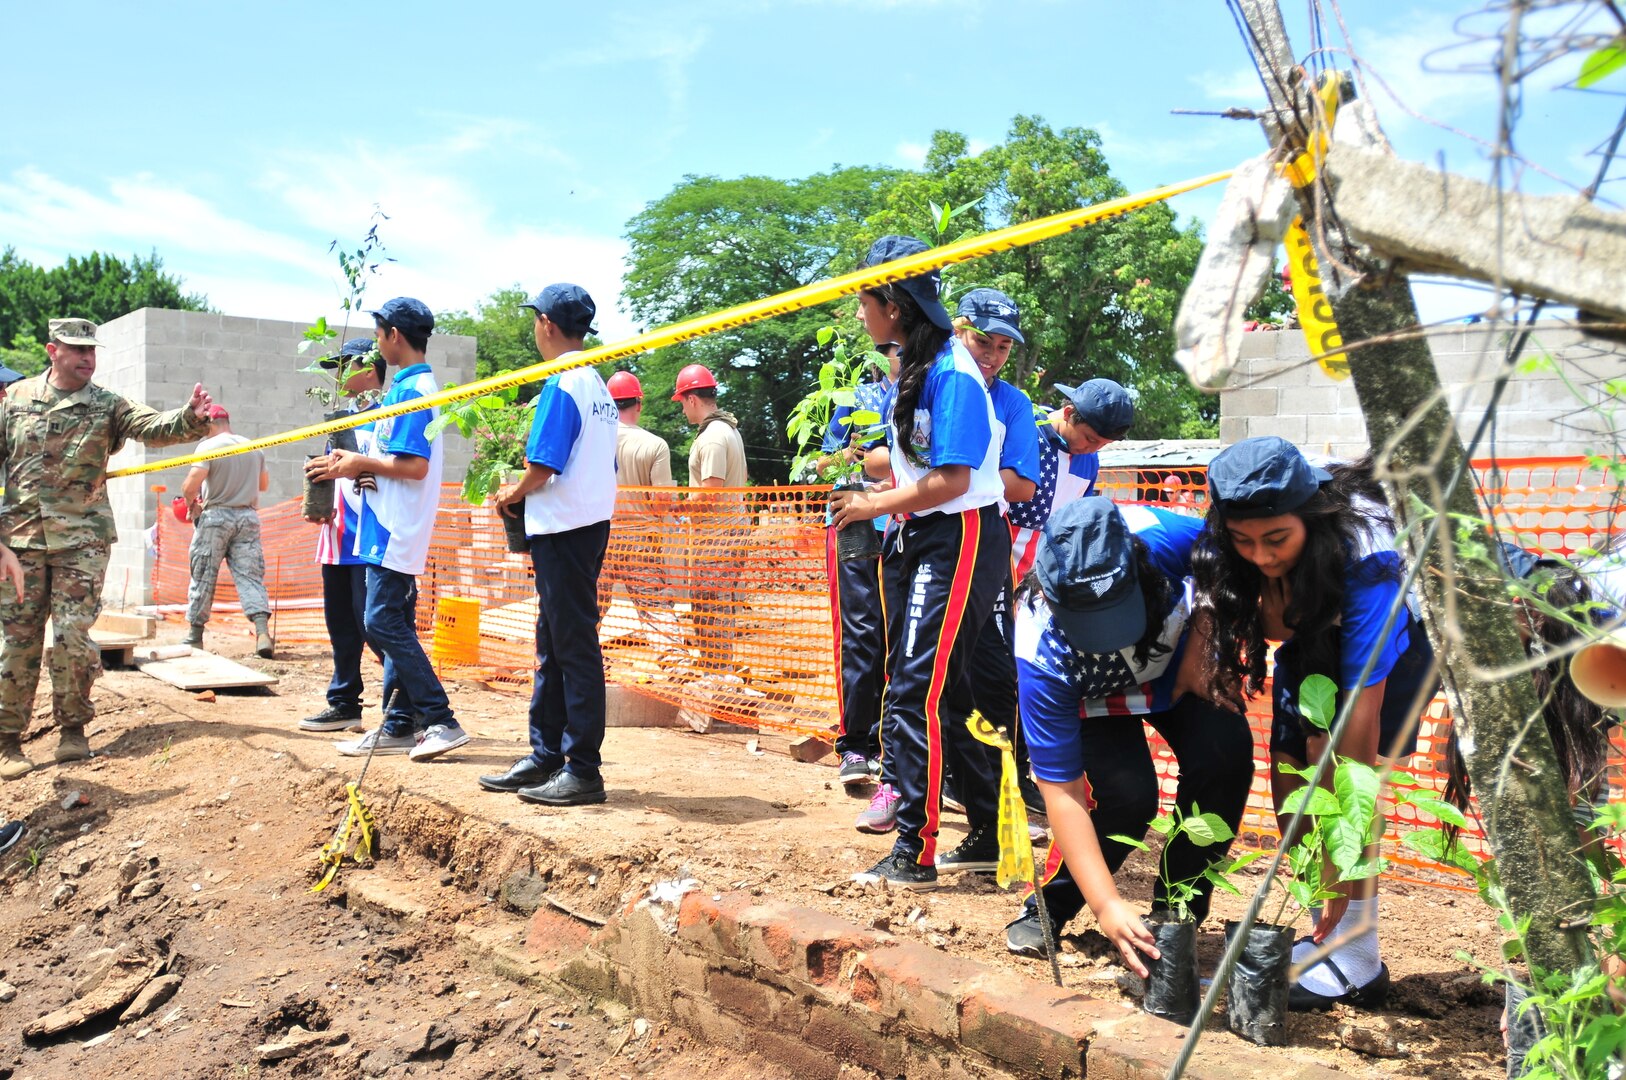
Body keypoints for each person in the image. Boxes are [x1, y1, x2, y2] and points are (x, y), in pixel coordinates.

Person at [1191, 436, 1437, 1010]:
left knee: (1344, 776)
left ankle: (1356, 951)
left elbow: (1358, 732)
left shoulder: (1369, 559)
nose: (1261, 557)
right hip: (1313, 621)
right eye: (1243, 541)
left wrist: (1342, 800)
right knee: (1290, 768)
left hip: (1403, 636)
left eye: (1276, 539)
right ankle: (1322, 930)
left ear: (1311, 518)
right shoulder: (1233, 527)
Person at [1001, 498, 1253, 969]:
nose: (1108, 635)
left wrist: (1203, 640)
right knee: (1126, 798)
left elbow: (1232, 568)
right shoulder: (1042, 653)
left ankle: (1176, 912)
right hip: (1091, 691)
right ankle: (1049, 908)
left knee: (1227, 753)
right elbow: (1064, 794)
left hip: (1176, 667)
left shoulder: (1169, 536)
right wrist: (1107, 905)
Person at [829, 235, 1008, 890]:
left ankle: (915, 850)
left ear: (894, 305)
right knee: (947, 689)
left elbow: (954, 479)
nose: (858, 315)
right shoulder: (915, 365)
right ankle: (985, 833)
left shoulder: (951, 372)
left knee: (913, 689)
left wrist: (871, 501)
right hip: (922, 534)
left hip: (957, 532)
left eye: (864, 301)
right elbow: (916, 460)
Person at [0, 318, 212, 778]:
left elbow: (154, 426)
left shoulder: (107, 406)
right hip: (20, 542)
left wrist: (191, 417)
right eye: (76, 350)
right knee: (18, 641)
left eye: (91, 350)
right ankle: (8, 741)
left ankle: (73, 731)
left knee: (73, 635)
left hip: (82, 542)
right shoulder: (14, 401)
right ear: (51, 350)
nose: (87, 358)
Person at [305, 297, 469, 763]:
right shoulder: (403, 389)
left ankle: (440, 719)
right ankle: (398, 725)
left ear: (393, 335)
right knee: (383, 619)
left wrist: (360, 462)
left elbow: (413, 466)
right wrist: (350, 468)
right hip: (384, 522)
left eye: (377, 334)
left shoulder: (414, 391)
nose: (377, 343)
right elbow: (388, 466)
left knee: (381, 621)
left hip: (396, 526)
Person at [480, 284, 618, 806]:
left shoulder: (565, 382)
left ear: (546, 324)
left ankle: (582, 769)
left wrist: (511, 493)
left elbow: (544, 464)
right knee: (554, 644)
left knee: (572, 647)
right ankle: (547, 756)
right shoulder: (597, 385)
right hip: (582, 525)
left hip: (565, 529)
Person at [922, 288, 1041, 871]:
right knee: (955, 682)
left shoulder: (1012, 402)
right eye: (983, 342)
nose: (992, 356)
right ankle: (988, 826)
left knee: (971, 683)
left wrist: (957, 468)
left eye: (1002, 348)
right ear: (958, 331)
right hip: (940, 536)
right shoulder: (939, 379)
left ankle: (997, 823)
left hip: (982, 541)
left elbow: (1019, 483)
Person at [300, 339, 386, 732]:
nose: (340, 375)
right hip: (337, 535)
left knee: (377, 626)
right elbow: (331, 467)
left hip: (371, 536)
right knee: (341, 625)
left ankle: (409, 706)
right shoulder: (340, 419)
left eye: (346, 365)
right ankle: (344, 701)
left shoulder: (391, 414)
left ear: (370, 368)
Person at [825, 341, 898, 793]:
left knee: (902, 637)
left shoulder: (926, 395)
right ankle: (855, 744)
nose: (899, 356)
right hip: (857, 526)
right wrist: (851, 455)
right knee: (862, 633)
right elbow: (822, 460)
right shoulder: (855, 399)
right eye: (890, 350)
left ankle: (891, 742)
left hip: (907, 527)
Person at [1007, 379, 1136, 579]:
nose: (1092, 450)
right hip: (997, 562)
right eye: (1090, 439)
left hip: (1040, 574)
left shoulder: (1089, 461)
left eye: (1103, 445)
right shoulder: (1025, 429)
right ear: (1068, 413)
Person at [598, 369, 683, 658]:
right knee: (655, 607)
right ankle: (676, 667)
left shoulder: (594, 442)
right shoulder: (654, 445)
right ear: (639, 404)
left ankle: (580, 667)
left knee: (590, 608)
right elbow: (662, 501)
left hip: (599, 538)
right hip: (642, 540)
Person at [673, 363, 750, 675]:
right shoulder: (725, 429)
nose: (682, 412)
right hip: (725, 533)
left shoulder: (715, 436)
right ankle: (717, 668)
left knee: (710, 605)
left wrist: (677, 509)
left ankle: (716, 674)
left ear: (692, 399)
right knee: (716, 604)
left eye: (681, 403)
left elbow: (710, 492)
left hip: (718, 538)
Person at [181, 405, 273, 657]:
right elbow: (263, 485)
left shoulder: (208, 447)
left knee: (203, 574)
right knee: (250, 576)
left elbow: (191, 484)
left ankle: (194, 636)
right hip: (247, 517)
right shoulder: (253, 447)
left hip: (216, 517)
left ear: (208, 423)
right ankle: (262, 632)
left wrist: (192, 503)